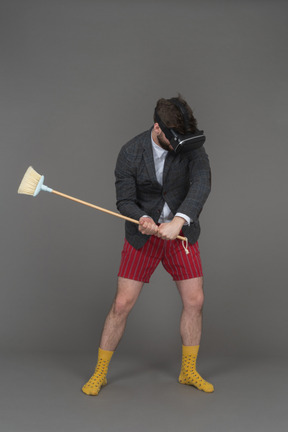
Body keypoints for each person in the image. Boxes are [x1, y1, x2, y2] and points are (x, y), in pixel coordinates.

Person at [82, 95, 214, 395]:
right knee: (121, 304)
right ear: (158, 128)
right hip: (144, 238)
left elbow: (202, 183)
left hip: (180, 235)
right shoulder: (130, 152)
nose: (178, 144)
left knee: (195, 301)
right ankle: (100, 372)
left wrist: (179, 221)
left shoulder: (189, 144)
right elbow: (124, 200)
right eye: (171, 138)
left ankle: (188, 372)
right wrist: (141, 217)